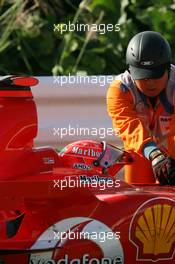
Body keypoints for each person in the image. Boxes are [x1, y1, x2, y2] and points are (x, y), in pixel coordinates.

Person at [107, 31, 175, 185]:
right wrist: (154, 153)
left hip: (172, 148)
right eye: (143, 76)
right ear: (131, 70)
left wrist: (171, 161)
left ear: (167, 69)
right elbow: (128, 128)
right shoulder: (119, 89)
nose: (150, 83)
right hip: (140, 151)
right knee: (137, 196)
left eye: (155, 75)